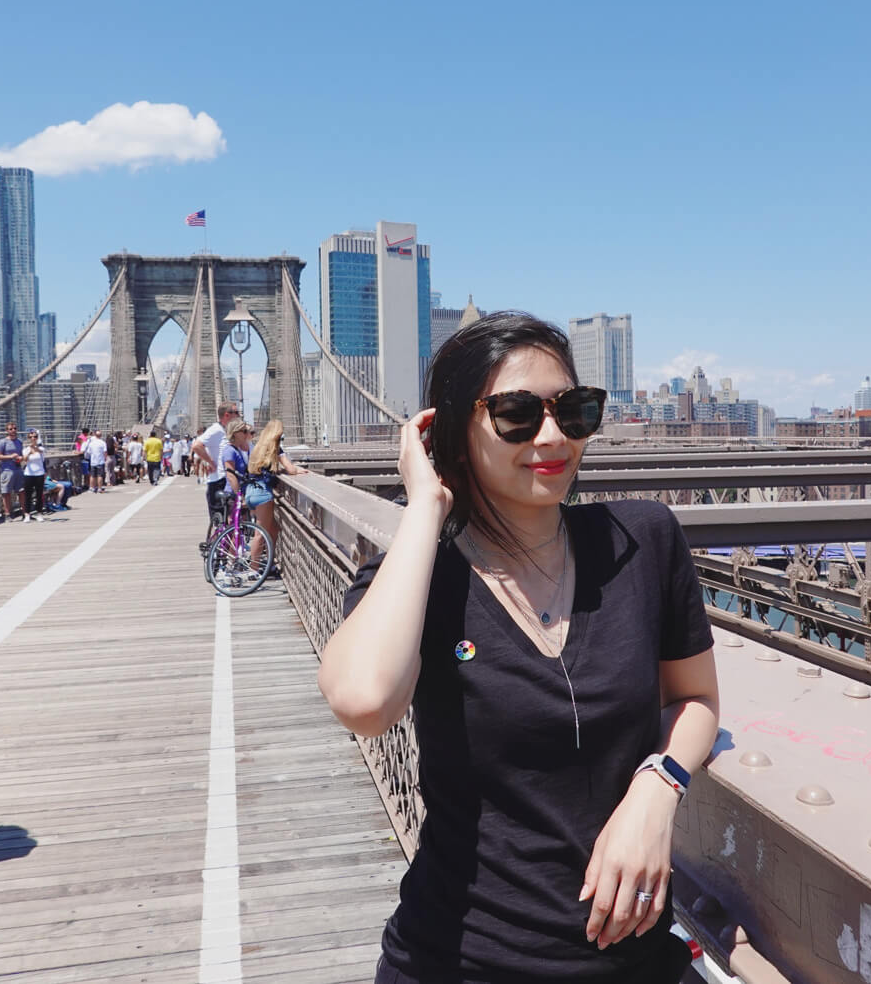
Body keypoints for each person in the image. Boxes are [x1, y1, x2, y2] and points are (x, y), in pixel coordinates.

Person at [318, 312, 720, 982]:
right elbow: (364, 703)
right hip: (458, 961)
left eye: (574, 410)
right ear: (451, 428)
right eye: (516, 415)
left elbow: (697, 699)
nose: (553, 436)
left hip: (635, 964)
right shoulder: (424, 578)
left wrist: (658, 788)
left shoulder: (644, 539)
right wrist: (425, 506)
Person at [243, 419, 309, 576]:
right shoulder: (275, 448)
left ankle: (269, 564)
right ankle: (253, 570)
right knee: (260, 534)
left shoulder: (258, 447)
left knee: (274, 529)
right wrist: (297, 470)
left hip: (251, 491)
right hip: (263, 494)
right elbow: (290, 469)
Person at [192, 404, 240, 527]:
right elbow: (196, 446)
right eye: (236, 412)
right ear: (227, 415)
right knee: (221, 521)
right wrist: (211, 462)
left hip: (227, 479)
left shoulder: (226, 431)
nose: (239, 415)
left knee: (232, 518)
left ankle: (229, 545)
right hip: (218, 481)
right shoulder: (216, 429)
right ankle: (216, 545)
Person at [0, 422, 26, 521]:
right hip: (7, 471)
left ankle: (25, 513)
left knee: (22, 492)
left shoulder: (19, 442)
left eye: (14, 428)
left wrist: (21, 458)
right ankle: (7, 514)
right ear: (7, 431)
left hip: (18, 469)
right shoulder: (2, 442)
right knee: (6, 493)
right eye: (10, 429)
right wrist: (10, 456)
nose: (13, 430)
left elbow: (22, 454)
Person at [22, 431, 48, 521]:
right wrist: (29, 452)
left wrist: (36, 448)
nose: (33, 438)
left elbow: (42, 455)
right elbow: (24, 460)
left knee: (39, 494)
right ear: (28, 438)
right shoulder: (26, 449)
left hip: (39, 474)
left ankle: (39, 513)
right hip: (29, 474)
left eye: (35, 437)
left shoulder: (41, 449)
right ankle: (27, 514)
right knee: (28, 495)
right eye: (31, 437)